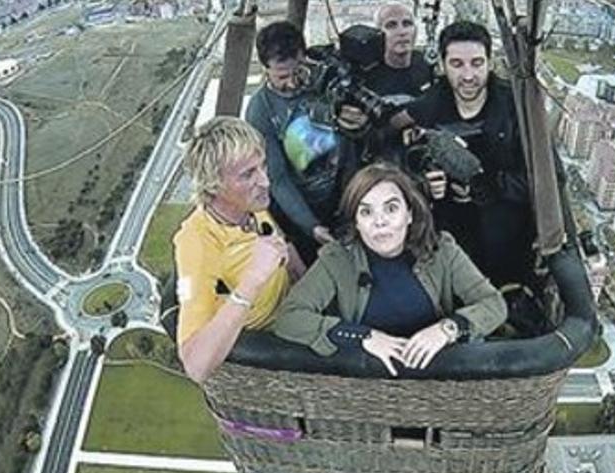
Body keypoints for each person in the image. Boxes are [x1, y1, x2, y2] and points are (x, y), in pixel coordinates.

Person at [272, 163, 506, 376]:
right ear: (356, 222)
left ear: (409, 214)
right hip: (369, 384)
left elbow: (494, 304)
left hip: (437, 377)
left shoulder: (442, 250)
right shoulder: (337, 258)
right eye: (366, 212)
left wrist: (447, 330)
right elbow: (289, 318)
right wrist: (362, 337)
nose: (380, 221)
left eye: (391, 209)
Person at [394, 20, 535, 289]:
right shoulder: (430, 106)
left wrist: (489, 186)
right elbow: (402, 147)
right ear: (443, 66)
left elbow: (543, 182)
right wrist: (425, 182)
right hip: (448, 234)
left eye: (477, 63)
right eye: (457, 64)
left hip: (505, 237)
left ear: (490, 63)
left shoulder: (516, 110)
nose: (468, 75)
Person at [172, 117, 303, 383]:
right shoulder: (197, 243)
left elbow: (282, 247)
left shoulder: (249, 206)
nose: (265, 181)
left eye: (262, 166)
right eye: (247, 174)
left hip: (297, 307)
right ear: (213, 185)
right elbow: (195, 365)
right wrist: (253, 279)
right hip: (270, 340)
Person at [245, 21, 362, 265]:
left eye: (297, 71)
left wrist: (351, 202)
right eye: (281, 76)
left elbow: (349, 146)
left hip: (342, 194)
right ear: (266, 70)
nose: (291, 82)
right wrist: (312, 227)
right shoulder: (261, 109)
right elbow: (277, 178)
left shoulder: (323, 85)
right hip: (297, 210)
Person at [364, 3, 433, 104]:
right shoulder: (367, 73)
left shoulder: (427, 64)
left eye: (407, 24)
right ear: (378, 34)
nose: (402, 32)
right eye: (391, 25)